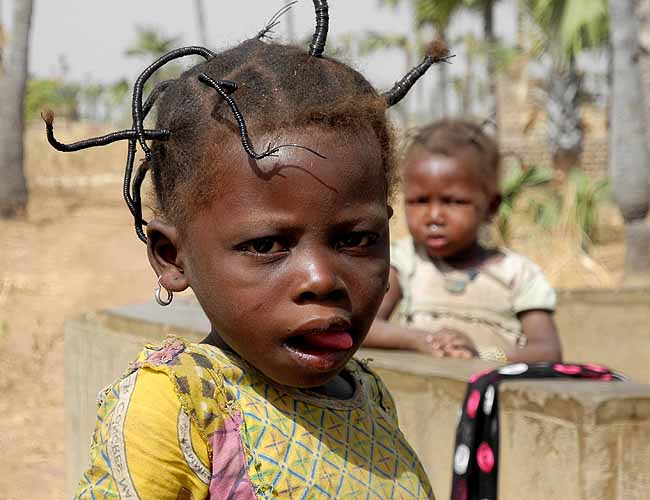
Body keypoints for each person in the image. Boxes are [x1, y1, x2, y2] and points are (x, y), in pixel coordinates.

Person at [44, 2, 452, 498]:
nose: (321, 278)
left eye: (357, 239)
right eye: (266, 245)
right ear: (173, 258)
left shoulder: (370, 398)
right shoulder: (183, 406)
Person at [364, 119, 562, 363]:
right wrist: (423, 340)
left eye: (453, 202)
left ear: (491, 207)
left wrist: (481, 355)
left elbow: (547, 350)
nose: (433, 216)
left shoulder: (518, 274)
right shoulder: (404, 262)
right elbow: (364, 327)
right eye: (419, 201)